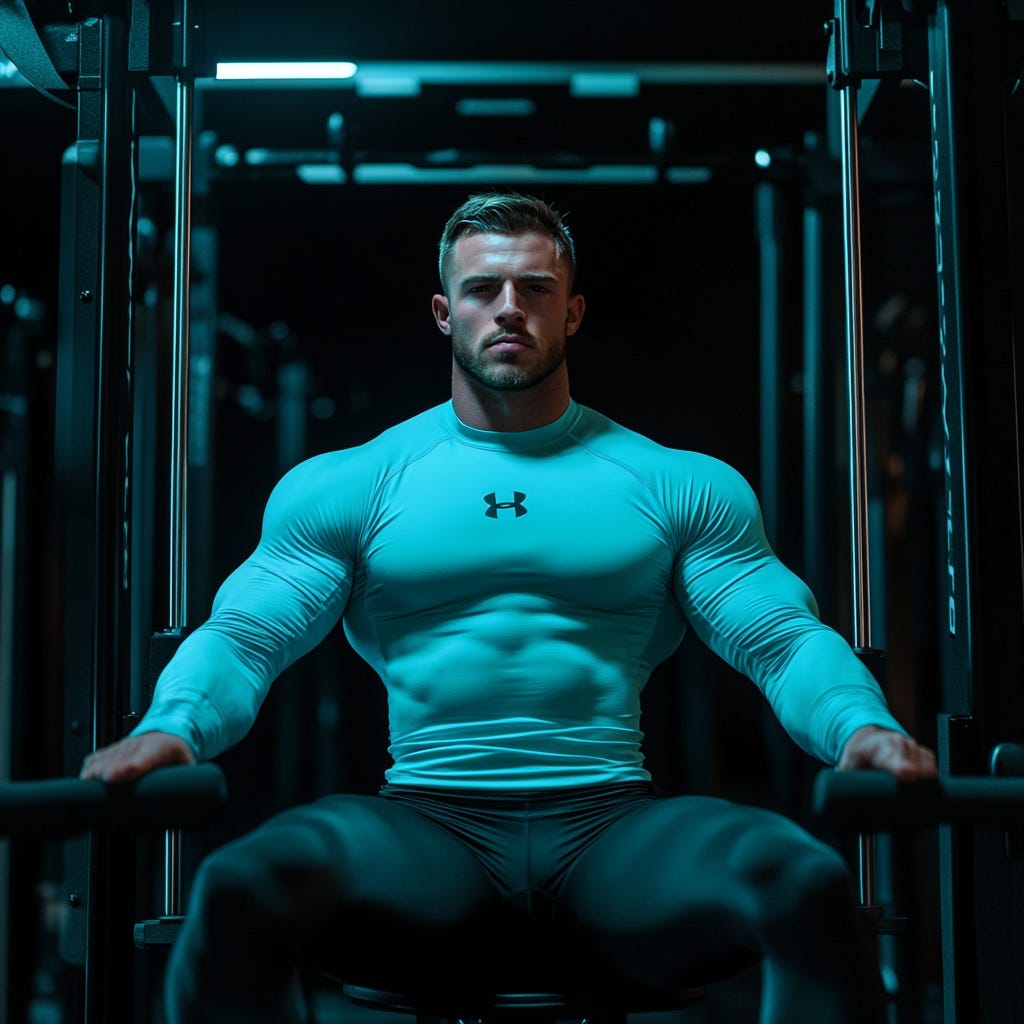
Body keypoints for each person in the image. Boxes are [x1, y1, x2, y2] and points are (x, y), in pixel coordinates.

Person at [82, 192, 937, 1024]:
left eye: (535, 289)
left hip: (612, 827)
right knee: (241, 883)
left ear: (572, 313)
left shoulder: (674, 482)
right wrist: (175, 727)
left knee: (803, 880)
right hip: (426, 829)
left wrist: (861, 729)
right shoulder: (354, 483)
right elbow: (246, 635)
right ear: (443, 312)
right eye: (483, 289)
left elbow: (780, 639)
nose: (508, 308)